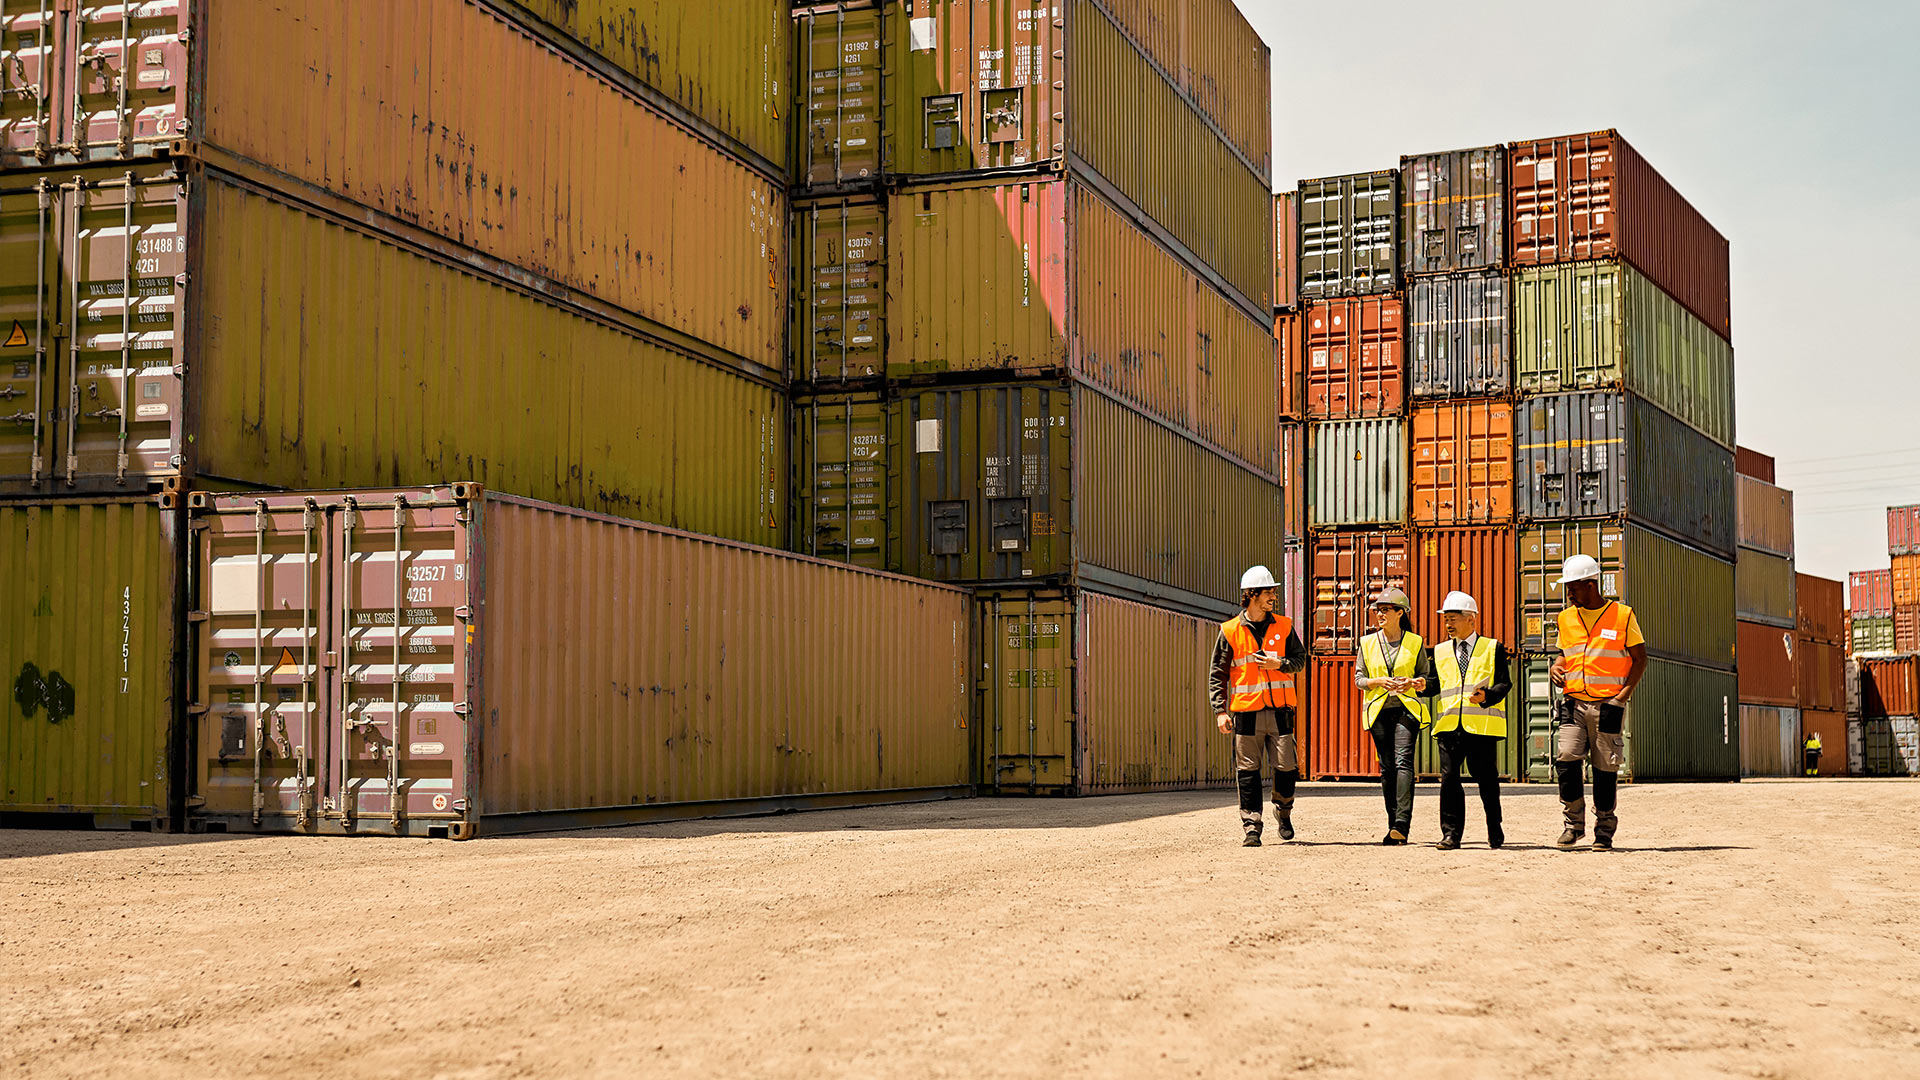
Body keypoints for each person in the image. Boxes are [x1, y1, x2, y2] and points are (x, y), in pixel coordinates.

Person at [1547, 554, 1648, 851]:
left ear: (1591, 585)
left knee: (1605, 769)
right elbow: (1565, 654)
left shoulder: (1622, 615)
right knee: (1566, 759)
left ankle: (1604, 829)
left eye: (1573, 587)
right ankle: (1572, 825)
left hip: (1608, 706)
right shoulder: (1565, 618)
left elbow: (1640, 659)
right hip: (1573, 703)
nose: (1569, 593)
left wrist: (1621, 698)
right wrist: (1556, 666)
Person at [1210, 565, 1308, 847]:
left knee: (1286, 768)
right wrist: (1220, 710)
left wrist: (1282, 664)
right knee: (1248, 772)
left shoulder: (1284, 626)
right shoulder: (1230, 631)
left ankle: (1284, 810)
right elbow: (1218, 673)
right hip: (1247, 713)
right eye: (1269, 592)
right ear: (1252, 595)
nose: (1273, 597)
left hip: (1280, 712)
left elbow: (1301, 660)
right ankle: (1252, 826)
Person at [1428, 591, 1512, 850]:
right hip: (1450, 726)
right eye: (1446, 620)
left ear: (1471, 619)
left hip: (1481, 726)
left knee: (1487, 780)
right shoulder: (1440, 651)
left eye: (1453, 618)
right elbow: (1434, 684)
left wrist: (1487, 696)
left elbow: (1504, 683)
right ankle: (1451, 834)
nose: (1448, 624)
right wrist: (1421, 685)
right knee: (1449, 779)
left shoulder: (1492, 647)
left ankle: (1494, 828)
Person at [1354, 587, 1433, 845]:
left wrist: (1412, 682)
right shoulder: (1367, 643)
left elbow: (1427, 678)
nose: (1379, 614)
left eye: (1385, 610)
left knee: (1403, 762)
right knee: (1387, 768)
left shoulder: (1415, 642)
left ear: (1400, 612)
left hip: (1406, 710)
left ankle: (1402, 823)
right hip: (1378, 710)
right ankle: (1393, 823)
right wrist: (1378, 681)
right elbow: (1359, 680)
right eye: (1377, 610)